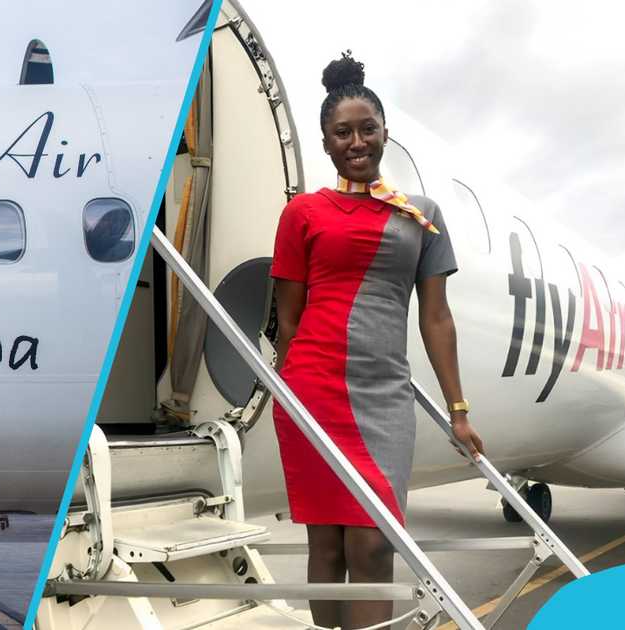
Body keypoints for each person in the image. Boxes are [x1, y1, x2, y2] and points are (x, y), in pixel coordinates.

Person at [270, 52, 485, 628]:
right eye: (343, 132)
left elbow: (436, 319)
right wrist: (287, 395)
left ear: (385, 132)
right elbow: (287, 321)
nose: (356, 141)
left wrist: (458, 410)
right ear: (325, 143)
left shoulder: (422, 217)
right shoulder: (302, 213)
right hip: (312, 389)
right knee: (329, 549)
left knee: (373, 544)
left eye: (368, 129)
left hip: (384, 397)